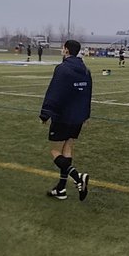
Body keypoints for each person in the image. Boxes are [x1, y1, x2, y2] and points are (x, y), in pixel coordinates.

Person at [40, 39, 92, 201]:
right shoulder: (85, 70)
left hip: (63, 116)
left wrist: (45, 113)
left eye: (63, 48)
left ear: (67, 50)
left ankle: (78, 177)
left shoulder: (63, 69)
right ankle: (61, 189)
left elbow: (55, 91)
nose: (62, 50)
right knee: (67, 150)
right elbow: (87, 94)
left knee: (55, 151)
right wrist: (85, 114)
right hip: (78, 117)